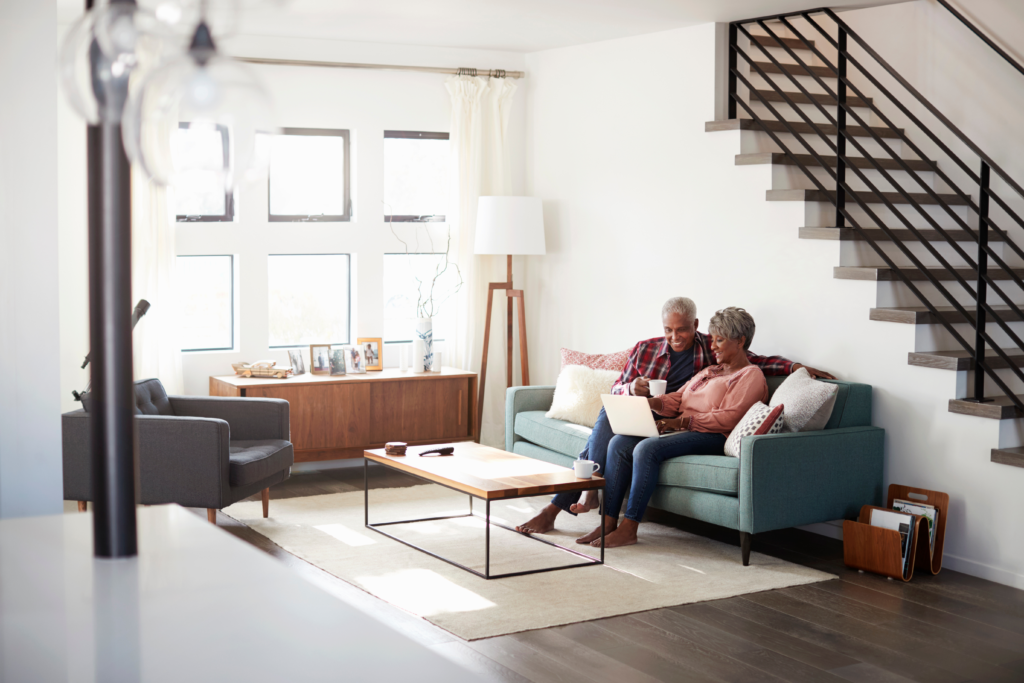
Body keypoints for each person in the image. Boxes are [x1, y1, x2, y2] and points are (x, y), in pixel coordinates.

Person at [515, 297, 833, 536]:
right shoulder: (654, 351)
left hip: (687, 427)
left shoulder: (714, 354)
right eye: (668, 330)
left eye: (682, 330)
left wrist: (794, 367)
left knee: (631, 445)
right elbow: (643, 392)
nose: (675, 337)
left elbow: (753, 363)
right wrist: (637, 393)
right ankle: (594, 513)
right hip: (652, 412)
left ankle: (574, 503)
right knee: (611, 413)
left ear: (695, 327)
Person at [577, 307, 768, 548]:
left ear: (740, 341)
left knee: (646, 449)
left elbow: (729, 418)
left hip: (711, 435)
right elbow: (678, 398)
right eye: (713, 340)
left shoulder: (750, 375)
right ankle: (607, 522)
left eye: (720, 340)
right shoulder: (709, 371)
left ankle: (630, 527)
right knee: (619, 443)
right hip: (683, 429)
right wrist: (651, 403)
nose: (713, 346)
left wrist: (681, 422)